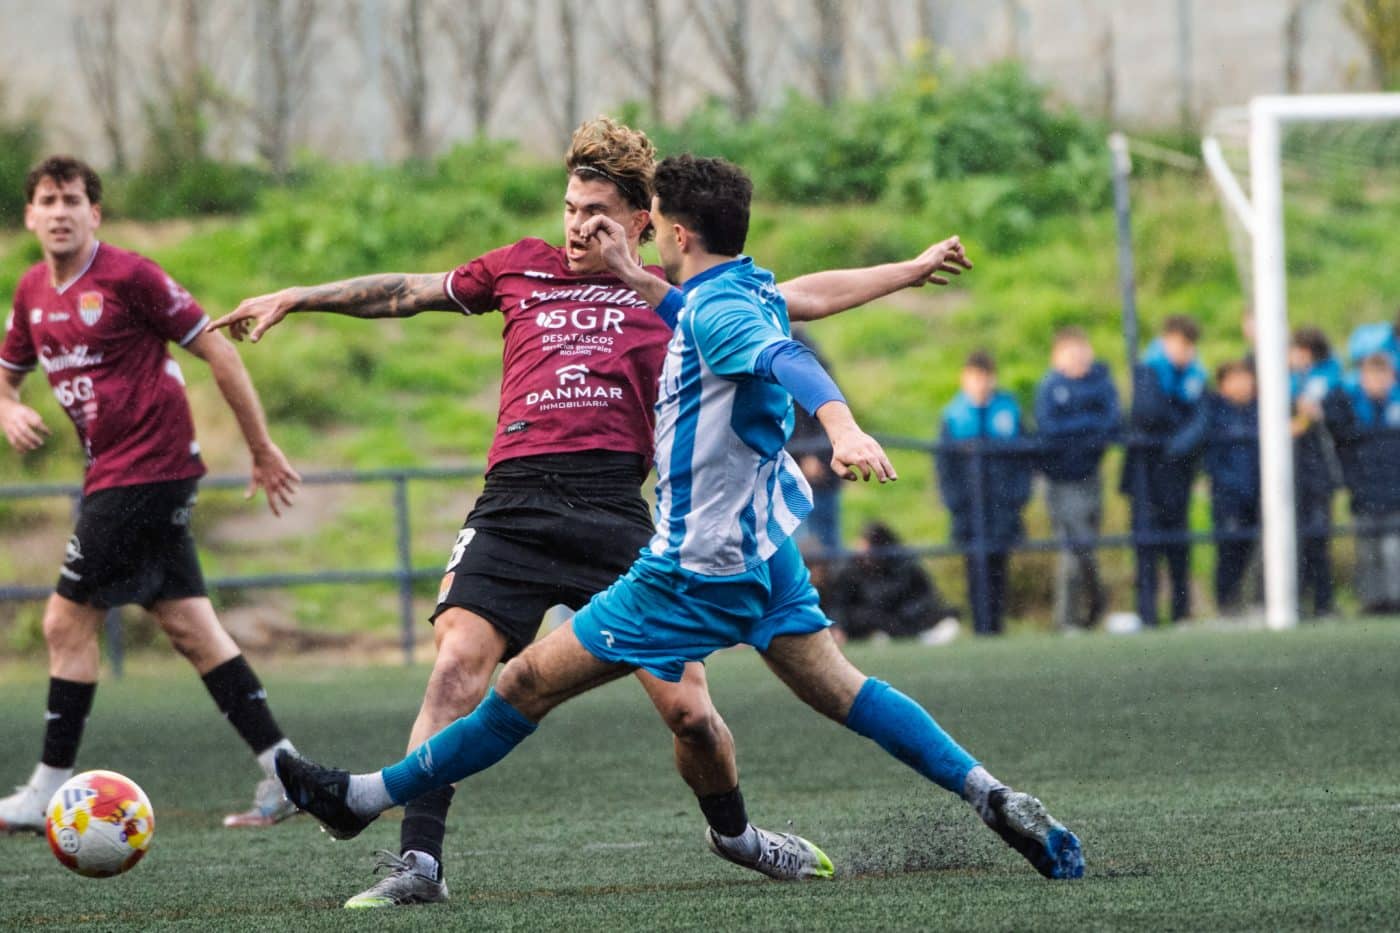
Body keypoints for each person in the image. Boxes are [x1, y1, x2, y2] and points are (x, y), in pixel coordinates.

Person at [211, 118, 975, 907]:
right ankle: (419, 864)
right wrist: (298, 297)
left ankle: (738, 836)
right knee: (456, 665)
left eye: (595, 212)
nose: (576, 226)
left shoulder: (678, 297)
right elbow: (407, 290)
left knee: (689, 714)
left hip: (615, 510)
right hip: (512, 503)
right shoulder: (520, 268)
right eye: (570, 208)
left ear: (644, 221)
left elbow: (803, 298)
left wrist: (909, 271)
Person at [0, 156, 303, 833]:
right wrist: (7, 407)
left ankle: (45, 791)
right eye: (46, 200)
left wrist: (260, 446)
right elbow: (7, 373)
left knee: (62, 622)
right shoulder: (29, 292)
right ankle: (289, 774)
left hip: (146, 470)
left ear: (94, 212)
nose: (59, 211)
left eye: (72, 199)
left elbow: (218, 350)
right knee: (194, 630)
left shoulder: (129, 276)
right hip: (113, 472)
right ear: (29, 214)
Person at [936, 351, 1032, 636]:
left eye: (984, 377)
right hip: (968, 508)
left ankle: (996, 627)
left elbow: (1024, 459)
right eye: (974, 377)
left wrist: (1018, 497)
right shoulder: (953, 416)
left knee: (1000, 566)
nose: (980, 384)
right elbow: (945, 467)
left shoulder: (1009, 412)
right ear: (964, 379)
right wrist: (955, 503)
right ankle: (980, 628)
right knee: (974, 568)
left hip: (1002, 506)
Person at [1121, 315, 1206, 626]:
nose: (1185, 352)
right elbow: (1147, 413)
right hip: (1145, 474)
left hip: (1177, 473)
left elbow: (1201, 419)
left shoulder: (1194, 376)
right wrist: (1178, 425)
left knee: (1178, 546)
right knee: (1146, 546)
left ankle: (1181, 613)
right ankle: (1148, 615)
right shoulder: (1148, 369)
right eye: (1181, 345)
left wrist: (1178, 441)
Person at [1034, 327, 1118, 631]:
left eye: (1083, 352)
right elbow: (1049, 427)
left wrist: (1078, 427)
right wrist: (1086, 426)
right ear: (1057, 357)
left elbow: (1111, 422)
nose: (1079, 360)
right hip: (1061, 480)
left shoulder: (1100, 382)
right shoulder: (1050, 387)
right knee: (1074, 551)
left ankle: (1090, 615)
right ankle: (1068, 619)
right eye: (1072, 353)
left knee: (1087, 548)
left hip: (1091, 476)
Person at [1180, 361, 1261, 614]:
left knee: (1255, 548)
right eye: (1235, 379)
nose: (1242, 385)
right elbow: (1193, 439)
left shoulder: (1261, 409)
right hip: (1227, 491)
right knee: (1229, 549)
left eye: (1246, 378)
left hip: (1258, 491)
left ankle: (1253, 602)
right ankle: (1226, 603)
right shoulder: (1213, 409)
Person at [1329, 353, 1400, 613]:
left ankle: (1394, 600)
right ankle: (1372, 602)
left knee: (1394, 550)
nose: (1378, 382)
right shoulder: (1351, 408)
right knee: (1368, 551)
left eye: (1383, 376)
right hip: (1364, 493)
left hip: (1395, 494)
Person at [823, 521, 959, 642]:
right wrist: (838, 627)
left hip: (903, 620)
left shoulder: (904, 567)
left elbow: (925, 598)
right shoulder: (851, 570)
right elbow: (839, 603)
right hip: (869, 624)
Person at [1288, 327, 1344, 618]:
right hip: (1288, 476)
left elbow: (1341, 421)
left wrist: (1318, 415)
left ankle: (1322, 602)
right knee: (1290, 539)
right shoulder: (1285, 382)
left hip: (1317, 474)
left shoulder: (1332, 382)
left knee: (1317, 538)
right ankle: (1292, 601)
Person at [786, 326, 842, 556]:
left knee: (819, 546)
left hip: (813, 467)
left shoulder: (797, 349)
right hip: (797, 465)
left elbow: (817, 404)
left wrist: (811, 453)